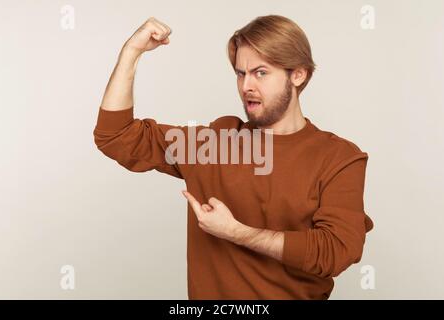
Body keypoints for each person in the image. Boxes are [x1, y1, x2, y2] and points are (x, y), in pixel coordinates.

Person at [93, 15, 374, 299]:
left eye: (260, 73)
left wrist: (237, 232)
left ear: (297, 75)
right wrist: (131, 52)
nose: (246, 86)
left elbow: (336, 251)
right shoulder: (215, 143)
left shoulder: (338, 157)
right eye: (241, 73)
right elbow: (115, 136)